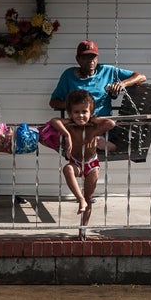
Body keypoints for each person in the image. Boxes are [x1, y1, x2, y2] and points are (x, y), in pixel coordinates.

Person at [48, 90, 115, 227]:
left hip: (92, 164)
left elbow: (111, 123)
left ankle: (83, 228)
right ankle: (80, 199)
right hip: (76, 163)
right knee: (67, 169)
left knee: (89, 197)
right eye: (76, 112)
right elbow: (54, 121)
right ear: (70, 113)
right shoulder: (69, 125)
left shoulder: (93, 124)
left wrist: (93, 134)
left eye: (84, 111)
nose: (80, 115)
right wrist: (67, 134)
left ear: (90, 112)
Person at [49, 40, 147, 117]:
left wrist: (123, 84)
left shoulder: (107, 71)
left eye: (93, 57)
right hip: (78, 125)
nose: (90, 61)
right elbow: (53, 102)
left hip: (102, 123)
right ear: (78, 59)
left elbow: (141, 77)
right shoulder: (69, 75)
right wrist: (73, 105)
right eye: (86, 57)